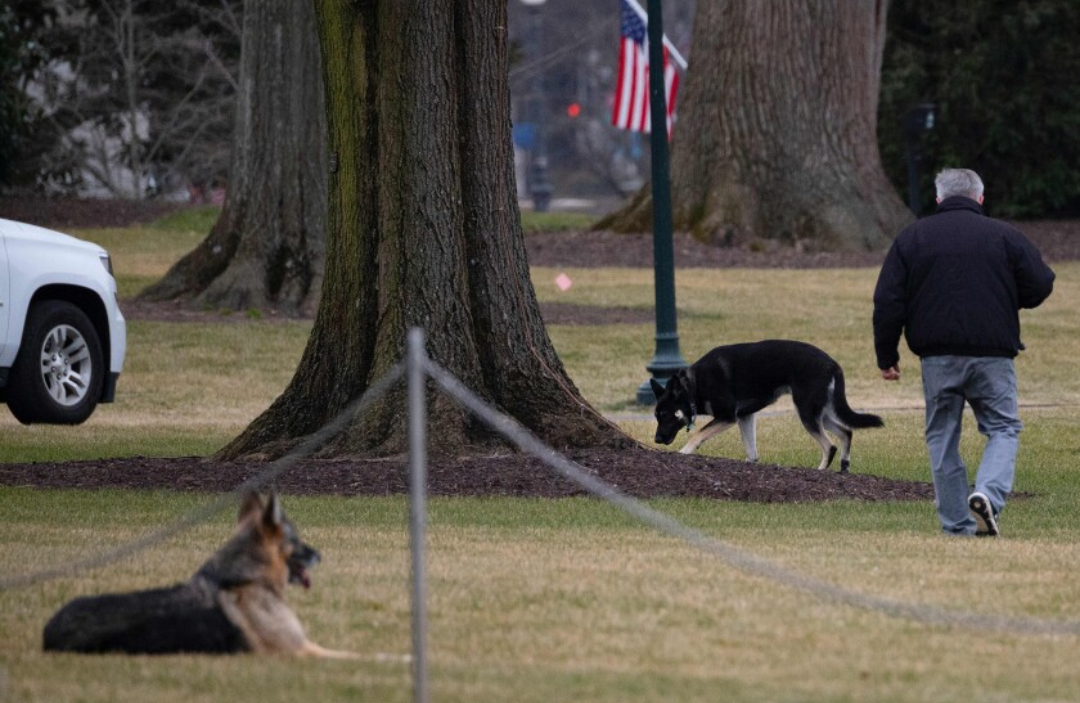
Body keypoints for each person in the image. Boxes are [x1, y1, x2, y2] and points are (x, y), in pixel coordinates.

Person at [873, 168, 1055, 537]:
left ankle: (957, 526)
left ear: (938, 199)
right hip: (993, 353)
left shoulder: (913, 238)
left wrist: (886, 354)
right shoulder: (1004, 235)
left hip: (937, 357)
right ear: (980, 198)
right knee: (1003, 427)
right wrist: (1006, 299)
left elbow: (888, 300)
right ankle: (987, 493)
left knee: (942, 434)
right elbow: (1041, 282)